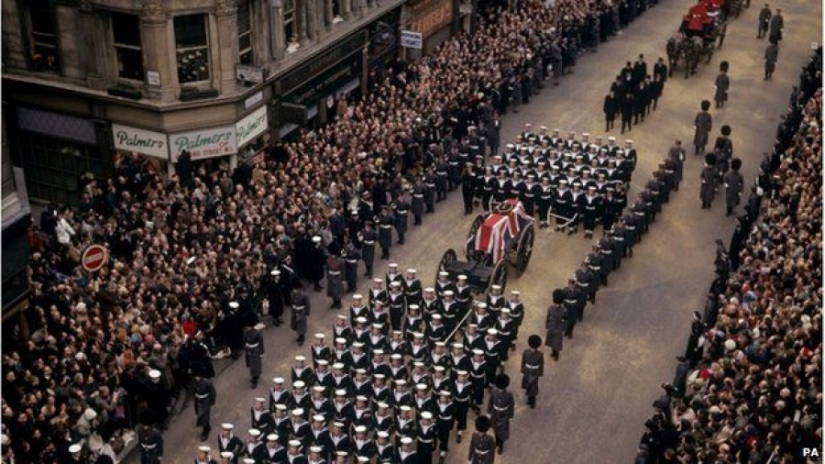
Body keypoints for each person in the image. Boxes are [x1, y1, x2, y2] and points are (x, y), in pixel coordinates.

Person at [487, 374, 514, 454]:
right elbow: (490, 402)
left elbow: (511, 406)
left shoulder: (509, 394)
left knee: (502, 432)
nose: (500, 390)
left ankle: (501, 445)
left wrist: (510, 416)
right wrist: (489, 412)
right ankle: (497, 442)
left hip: (504, 415)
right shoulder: (493, 391)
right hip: (495, 414)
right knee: (495, 429)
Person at [520, 335, 544, 408]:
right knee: (528, 385)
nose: (532, 349)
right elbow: (523, 361)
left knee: (533, 387)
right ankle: (529, 399)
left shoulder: (540, 355)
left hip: (534, 372)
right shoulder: (526, 352)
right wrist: (522, 369)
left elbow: (541, 364)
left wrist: (539, 373)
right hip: (527, 371)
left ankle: (532, 401)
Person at [194, 374, 217, 441]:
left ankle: (206, 430)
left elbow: (212, 392)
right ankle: (207, 426)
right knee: (199, 414)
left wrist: (212, 401)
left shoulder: (207, 382)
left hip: (205, 401)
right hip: (198, 400)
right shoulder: (194, 382)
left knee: (204, 416)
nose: (196, 377)